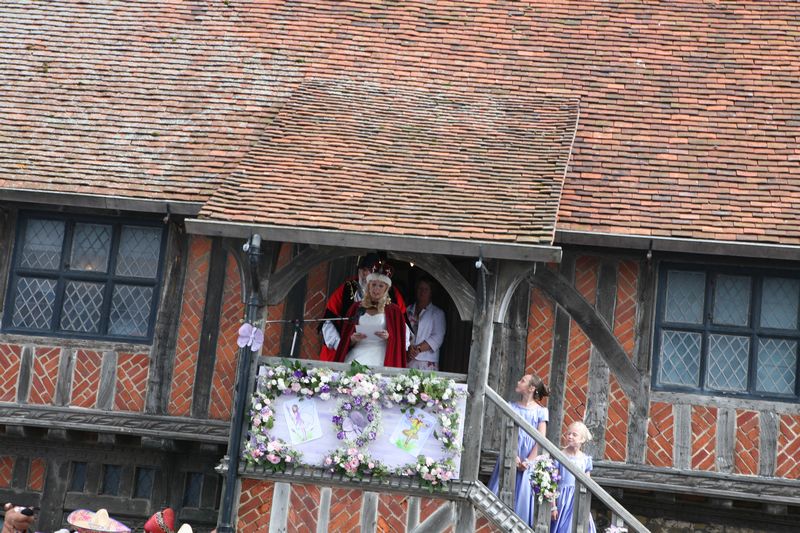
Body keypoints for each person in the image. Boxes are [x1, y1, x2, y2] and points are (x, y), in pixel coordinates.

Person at [487, 374, 549, 527]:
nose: (518, 381)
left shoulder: (541, 411)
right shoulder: (511, 406)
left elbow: (541, 440)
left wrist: (529, 461)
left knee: (523, 500)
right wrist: (512, 454)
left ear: (531, 388)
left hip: (529, 460)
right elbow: (505, 433)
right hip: (510, 455)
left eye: (522, 380)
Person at [319, 253, 406, 361]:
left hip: (382, 354)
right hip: (353, 352)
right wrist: (343, 345)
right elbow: (329, 319)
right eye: (362, 270)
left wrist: (390, 338)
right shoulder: (347, 291)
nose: (364, 274)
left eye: (368, 270)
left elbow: (401, 329)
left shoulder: (393, 301)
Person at [551, 422, 597, 533]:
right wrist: (553, 506)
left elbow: (588, 485)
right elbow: (553, 482)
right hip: (563, 500)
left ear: (582, 439)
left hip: (578, 499)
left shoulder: (585, 460)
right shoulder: (560, 456)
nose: (570, 436)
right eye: (568, 434)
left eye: (574, 434)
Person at [406, 277, 446, 371]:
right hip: (408, 357)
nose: (422, 292)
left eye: (426, 289)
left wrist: (417, 349)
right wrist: (408, 348)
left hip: (427, 361)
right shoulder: (407, 310)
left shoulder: (437, 313)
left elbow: (437, 337)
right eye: (420, 288)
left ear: (431, 292)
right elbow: (402, 331)